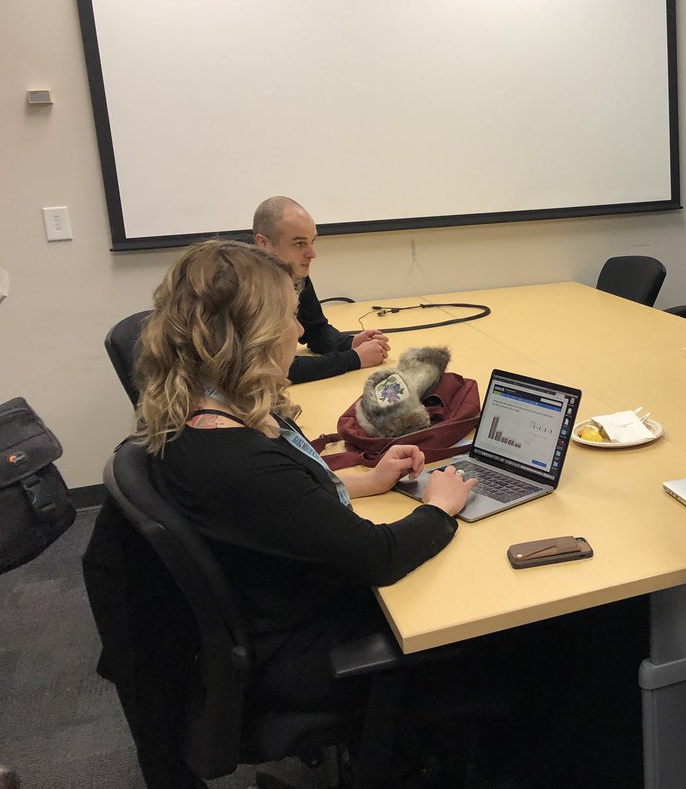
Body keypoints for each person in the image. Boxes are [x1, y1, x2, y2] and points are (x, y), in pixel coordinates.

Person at [84, 240, 478, 787]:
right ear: (252, 336)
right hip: (304, 646)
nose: (299, 332)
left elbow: (284, 504)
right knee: (492, 622)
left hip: (267, 607)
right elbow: (378, 556)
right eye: (289, 319)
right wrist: (440, 508)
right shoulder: (238, 462)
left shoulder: (202, 414)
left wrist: (367, 479)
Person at [252, 196, 391, 383]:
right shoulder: (243, 289)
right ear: (263, 244)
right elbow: (274, 367)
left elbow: (316, 331)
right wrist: (354, 358)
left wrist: (350, 343)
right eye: (299, 244)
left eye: (312, 241)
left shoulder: (296, 276)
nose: (312, 254)